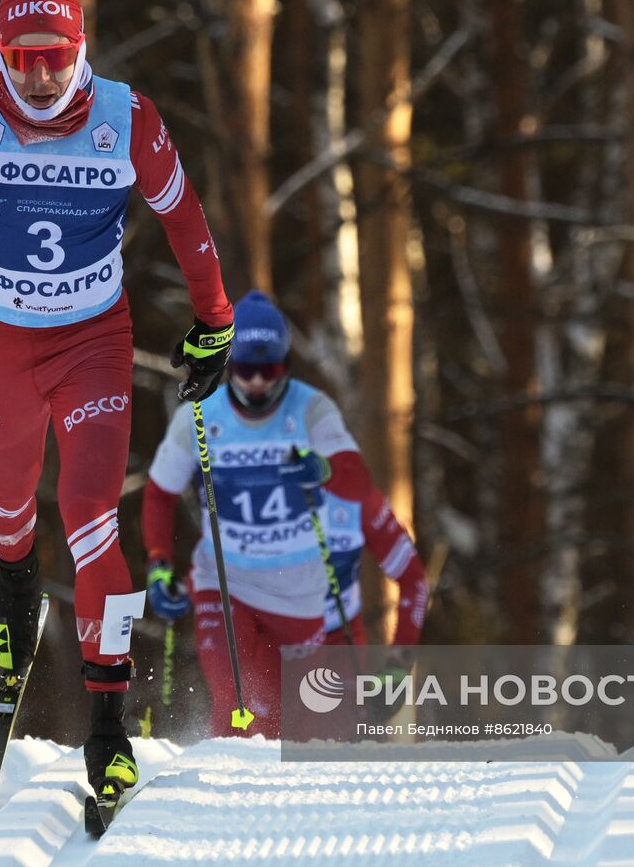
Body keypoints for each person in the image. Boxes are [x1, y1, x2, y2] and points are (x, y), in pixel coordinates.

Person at [0, 0, 233, 803]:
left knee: (96, 516)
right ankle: (17, 577)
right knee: (9, 503)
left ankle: (108, 724)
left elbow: (186, 218)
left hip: (93, 341)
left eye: (55, 59)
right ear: (0, 54)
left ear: (81, 51)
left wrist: (217, 320)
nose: (39, 78)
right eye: (23, 60)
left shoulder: (124, 117)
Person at [141, 291, 423, 737]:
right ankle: (218, 792)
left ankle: (284, 799)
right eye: (245, 370)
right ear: (229, 367)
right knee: (239, 703)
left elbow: (356, 480)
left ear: (285, 366)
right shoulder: (200, 416)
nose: (256, 382)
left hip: (300, 597)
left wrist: (325, 468)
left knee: (286, 723)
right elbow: (159, 494)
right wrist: (159, 564)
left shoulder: (311, 410)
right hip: (225, 583)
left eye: (268, 370)